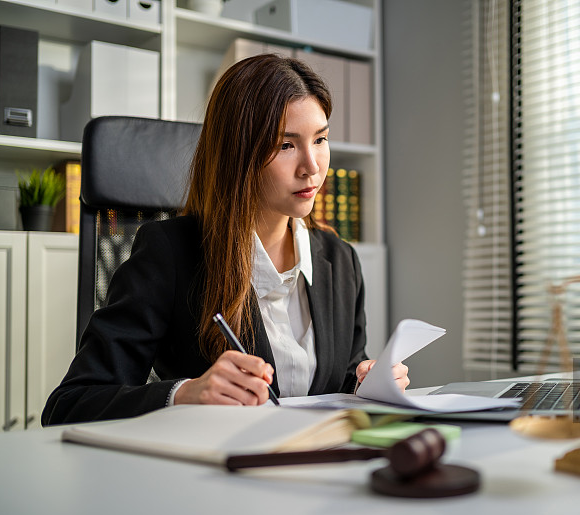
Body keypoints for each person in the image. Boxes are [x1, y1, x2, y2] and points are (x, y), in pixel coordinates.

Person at [42, 54, 408, 425]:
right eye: (286, 145)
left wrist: (368, 385)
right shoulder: (169, 254)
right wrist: (186, 393)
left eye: (321, 139)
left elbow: (337, 380)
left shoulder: (339, 260)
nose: (312, 166)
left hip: (312, 471)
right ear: (238, 153)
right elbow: (70, 404)